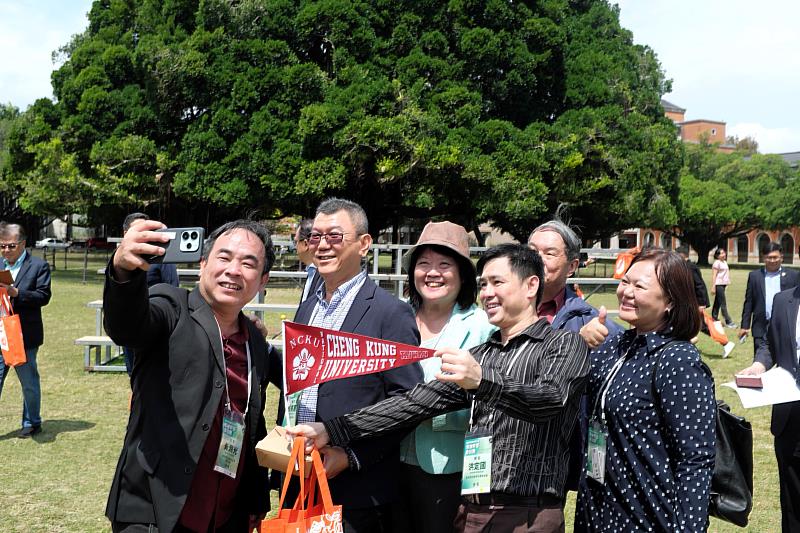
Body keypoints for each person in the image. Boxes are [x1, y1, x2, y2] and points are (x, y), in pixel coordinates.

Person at [290, 243, 590, 533]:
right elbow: (414, 403)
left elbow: (550, 400)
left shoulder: (564, 344)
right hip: (471, 511)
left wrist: (483, 382)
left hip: (528, 514)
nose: (487, 293)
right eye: (483, 284)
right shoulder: (481, 355)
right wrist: (332, 429)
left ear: (531, 286)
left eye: (497, 282)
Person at [103, 219, 281, 533]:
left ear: (262, 279)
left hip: (226, 515)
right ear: (203, 264)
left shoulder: (254, 340)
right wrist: (123, 271)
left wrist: (255, 499)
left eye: (248, 263)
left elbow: (251, 422)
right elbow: (127, 326)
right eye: (224, 257)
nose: (234, 270)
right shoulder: (171, 307)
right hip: (155, 510)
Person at [290, 198, 423, 532]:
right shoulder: (307, 308)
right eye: (315, 236)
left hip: (358, 493)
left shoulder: (391, 313)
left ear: (364, 244)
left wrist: (351, 456)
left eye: (334, 236)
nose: (322, 245)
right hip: (301, 481)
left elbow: (409, 403)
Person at [576, 248, 716, 532]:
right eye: (625, 282)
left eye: (639, 286)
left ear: (670, 302)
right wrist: (578, 345)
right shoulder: (614, 346)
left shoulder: (678, 360)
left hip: (647, 515)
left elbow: (695, 459)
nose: (626, 292)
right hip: (597, 510)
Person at [397, 221, 495, 532]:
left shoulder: (482, 326)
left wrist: (432, 415)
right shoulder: (396, 318)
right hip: (389, 462)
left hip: (449, 467)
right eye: (423, 263)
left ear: (462, 275)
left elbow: (492, 401)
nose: (432, 273)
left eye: (444, 265)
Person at [527, 220, 622, 491]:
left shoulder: (593, 324)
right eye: (532, 251)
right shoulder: (498, 311)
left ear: (572, 266)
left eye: (549, 253)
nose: (537, 259)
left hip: (560, 451)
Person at [738, 281, 800, 531]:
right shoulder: (783, 300)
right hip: (789, 419)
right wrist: (759, 365)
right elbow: (769, 343)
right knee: (792, 502)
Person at [0, 223, 52, 438]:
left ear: (22, 244)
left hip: (23, 335)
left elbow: (43, 296)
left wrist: (16, 293)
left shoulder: (38, 266)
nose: (6, 250)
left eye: (11, 246)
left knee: (29, 382)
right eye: (2, 246)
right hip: (1, 333)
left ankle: (32, 422)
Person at [120, 213, 180, 376]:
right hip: (129, 324)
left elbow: (173, 288)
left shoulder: (161, 256)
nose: (143, 233)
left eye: (146, 229)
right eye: (138, 229)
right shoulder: (120, 261)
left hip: (155, 323)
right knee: (134, 373)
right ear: (125, 234)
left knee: (155, 374)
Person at [739, 241, 800, 355]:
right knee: (760, 358)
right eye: (769, 257)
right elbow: (749, 302)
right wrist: (744, 325)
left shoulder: (793, 276)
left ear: (781, 257)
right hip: (761, 327)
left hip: (785, 326)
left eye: (775, 257)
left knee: (785, 360)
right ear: (763, 258)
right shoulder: (755, 276)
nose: (772, 261)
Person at [677, 246, 735, 357]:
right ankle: (687, 344)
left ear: (682, 255)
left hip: (694, 303)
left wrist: (701, 304)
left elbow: (700, 286)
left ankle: (726, 343)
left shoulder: (691, 267)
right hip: (687, 303)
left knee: (703, 325)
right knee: (689, 325)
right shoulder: (683, 267)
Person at [293, 218, 319, 302]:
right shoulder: (312, 271)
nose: (295, 247)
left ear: (305, 244)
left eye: (295, 242)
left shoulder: (324, 276)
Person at [711, 248, 736, 327]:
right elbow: (714, 275)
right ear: (717, 256)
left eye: (724, 253)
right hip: (718, 284)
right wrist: (713, 286)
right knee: (723, 303)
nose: (724, 254)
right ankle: (728, 321)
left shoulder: (724, 262)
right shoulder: (717, 263)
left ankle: (714, 317)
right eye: (721, 253)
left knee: (717, 302)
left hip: (723, 284)